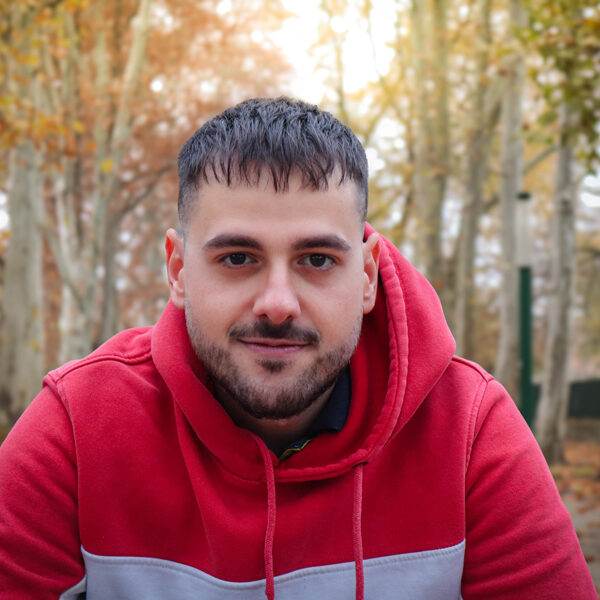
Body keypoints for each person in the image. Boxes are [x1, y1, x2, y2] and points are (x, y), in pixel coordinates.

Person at [0, 97, 595, 600]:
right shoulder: (79, 424)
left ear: (367, 276)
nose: (278, 303)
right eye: (238, 258)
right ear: (178, 271)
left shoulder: (468, 429)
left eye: (317, 259)